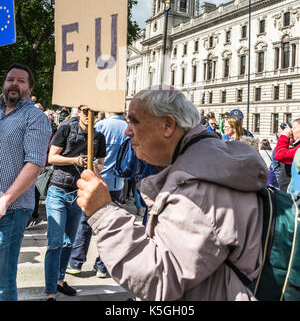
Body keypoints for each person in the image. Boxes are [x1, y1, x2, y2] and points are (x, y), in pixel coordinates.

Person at [76, 87, 269, 301]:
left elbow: (159, 278)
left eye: (134, 122)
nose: (127, 131)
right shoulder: (206, 166)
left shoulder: (198, 188)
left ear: (168, 125)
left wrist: (104, 212)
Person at [0, 63, 52, 301]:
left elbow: (35, 164)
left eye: (21, 81)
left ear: (30, 88)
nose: (14, 84)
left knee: (3, 277)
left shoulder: (36, 117)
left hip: (11, 209)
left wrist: (5, 199)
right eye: (11, 79)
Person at [44, 105, 106, 300]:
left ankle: (60, 280)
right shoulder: (66, 129)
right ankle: (50, 291)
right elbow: (52, 157)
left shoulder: (99, 137)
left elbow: (101, 164)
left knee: (69, 242)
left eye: (94, 112)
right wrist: (75, 160)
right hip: (58, 191)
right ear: (78, 112)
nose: (89, 116)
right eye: (85, 111)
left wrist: (93, 166)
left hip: (78, 194)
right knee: (55, 243)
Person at [67, 111, 127, 279]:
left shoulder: (101, 126)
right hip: (117, 182)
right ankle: (102, 266)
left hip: (97, 179)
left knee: (85, 223)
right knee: (110, 224)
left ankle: (76, 263)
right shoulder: (128, 127)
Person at [274, 119, 300, 192]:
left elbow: (280, 155)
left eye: (294, 128)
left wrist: (284, 136)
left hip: (293, 194)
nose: (291, 131)